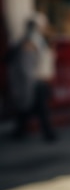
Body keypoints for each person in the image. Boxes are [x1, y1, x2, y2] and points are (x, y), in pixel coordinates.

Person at [8, 13, 57, 142]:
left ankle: (20, 131)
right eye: (43, 25)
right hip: (35, 81)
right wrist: (31, 83)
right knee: (38, 108)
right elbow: (27, 66)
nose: (46, 27)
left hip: (39, 80)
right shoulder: (31, 42)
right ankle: (47, 133)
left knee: (32, 108)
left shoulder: (38, 40)